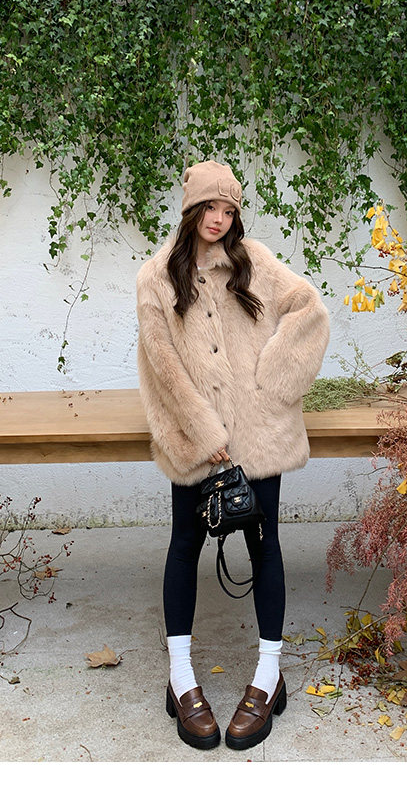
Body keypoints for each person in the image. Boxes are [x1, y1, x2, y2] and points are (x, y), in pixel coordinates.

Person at [136, 160, 330, 751]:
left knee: (265, 545)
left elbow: (310, 309)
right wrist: (203, 429)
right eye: (210, 208)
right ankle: (181, 678)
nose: (219, 220)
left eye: (229, 210)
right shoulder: (156, 279)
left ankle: (269, 677)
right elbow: (162, 366)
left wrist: (272, 384)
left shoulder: (255, 262)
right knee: (184, 545)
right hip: (195, 441)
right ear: (191, 210)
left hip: (259, 437)